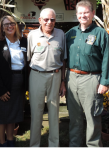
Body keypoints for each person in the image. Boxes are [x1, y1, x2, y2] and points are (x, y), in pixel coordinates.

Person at [65, 0, 109, 148]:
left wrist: (105, 81)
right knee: (74, 118)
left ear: (93, 13)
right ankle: (75, 145)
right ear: (76, 15)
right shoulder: (70, 33)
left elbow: (107, 58)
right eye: (80, 13)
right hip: (71, 78)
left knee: (92, 117)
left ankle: (93, 146)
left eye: (86, 12)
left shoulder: (100, 33)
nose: (83, 15)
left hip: (92, 79)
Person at [27, 8, 66, 148]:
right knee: (36, 112)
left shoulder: (61, 34)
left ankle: (54, 145)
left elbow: (63, 60)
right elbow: (28, 58)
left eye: (52, 20)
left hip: (55, 76)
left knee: (54, 112)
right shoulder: (32, 35)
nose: (49, 22)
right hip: (36, 75)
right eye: (46, 19)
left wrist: (63, 81)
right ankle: (34, 145)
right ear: (40, 20)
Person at [0, 15, 28, 148]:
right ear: (2, 28)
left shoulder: (24, 42)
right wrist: (1, 90)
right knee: (1, 116)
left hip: (19, 83)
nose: (9, 26)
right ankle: (2, 143)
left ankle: (11, 141)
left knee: (13, 114)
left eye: (11, 23)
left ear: (16, 25)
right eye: (6, 24)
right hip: (3, 83)